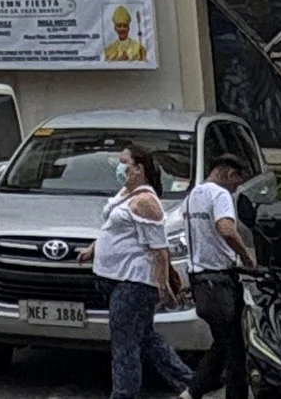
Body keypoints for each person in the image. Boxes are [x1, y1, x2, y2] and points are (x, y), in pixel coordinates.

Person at [93, 140, 197, 399]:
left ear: (139, 168)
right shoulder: (125, 192)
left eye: (124, 162)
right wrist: (93, 248)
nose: (119, 167)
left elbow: (159, 250)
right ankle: (192, 383)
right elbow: (114, 228)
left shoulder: (146, 202)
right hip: (115, 278)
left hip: (134, 282)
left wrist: (163, 287)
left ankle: (124, 394)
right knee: (145, 338)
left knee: (125, 344)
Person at [183, 152, 254, 399]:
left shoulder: (192, 196)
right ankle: (198, 391)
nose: (236, 188)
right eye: (236, 181)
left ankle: (197, 390)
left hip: (199, 280)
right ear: (228, 173)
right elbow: (227, 230)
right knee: (233, 346)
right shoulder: (220, 194)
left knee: (226, 343)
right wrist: (245, 256)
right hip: (219, 281)